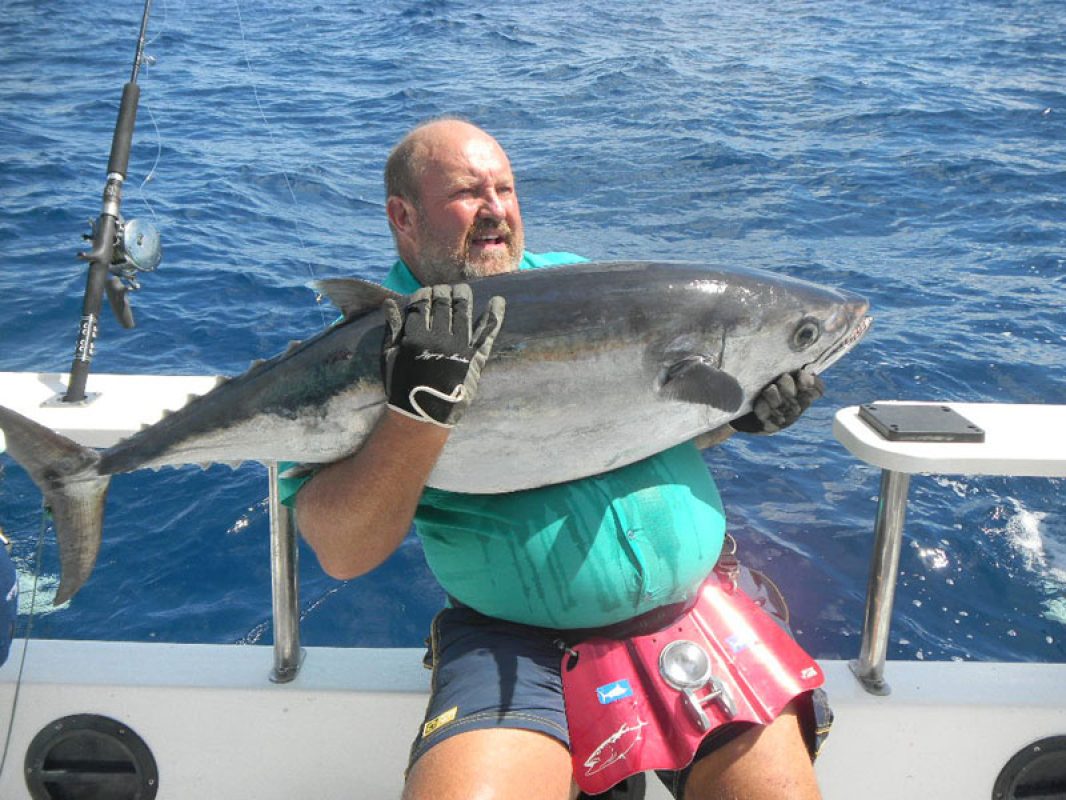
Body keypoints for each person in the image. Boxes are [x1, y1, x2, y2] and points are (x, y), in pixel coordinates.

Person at [282, 117, 830, 800]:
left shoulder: (581, 285)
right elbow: (343, 550)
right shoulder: (354, 352)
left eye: (505, 189)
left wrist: (738, 412)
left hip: (694, 612)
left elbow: (646, 423)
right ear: (403, 214)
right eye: (466, 192)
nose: (495, 210)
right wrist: (414, 413)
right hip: (517, 643)